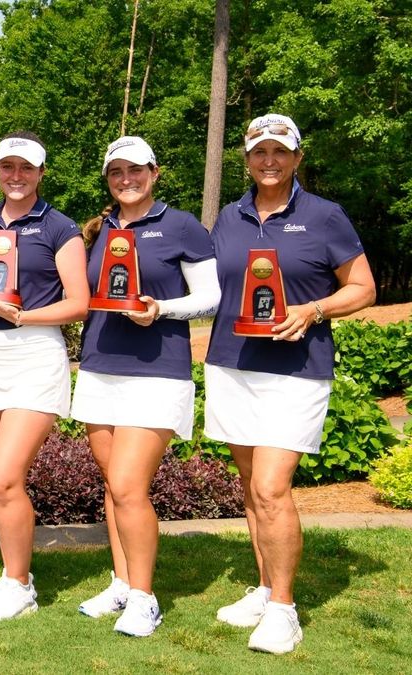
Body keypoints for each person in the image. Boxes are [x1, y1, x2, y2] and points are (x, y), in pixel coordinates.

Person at [204, 115, 375, 654]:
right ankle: (261, 588)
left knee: (273, 488)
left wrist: (314, 309)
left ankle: (283, 608)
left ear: (298, 157)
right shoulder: (228, 218)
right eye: (260, 152)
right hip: (232, 363)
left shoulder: (325, 216)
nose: (269, 161)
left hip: (296, 370)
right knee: (253, 489)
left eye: (280, 151)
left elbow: (363, 287)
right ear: (247, 159)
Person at [70, 136, 219, 636]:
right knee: (114, 487)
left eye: (135, 170)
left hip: (158, 370)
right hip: (99, 367)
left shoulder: (181, 226)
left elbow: (212, 298)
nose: (126, 179)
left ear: (154, 172)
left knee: (130, 486)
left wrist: (161, 309)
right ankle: (121, 582)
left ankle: (144, 597)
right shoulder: (100, 229)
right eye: (117, 172)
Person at [0, 132, 89, 622]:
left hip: (34, 351)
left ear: (40, 172)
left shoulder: (60, 227)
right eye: (7, 167)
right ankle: (17, 575)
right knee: (0, 482)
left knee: (5, 475)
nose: (16, 176)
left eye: (25, 168)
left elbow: (79, 302)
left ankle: (19, 587)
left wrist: (23, 317)